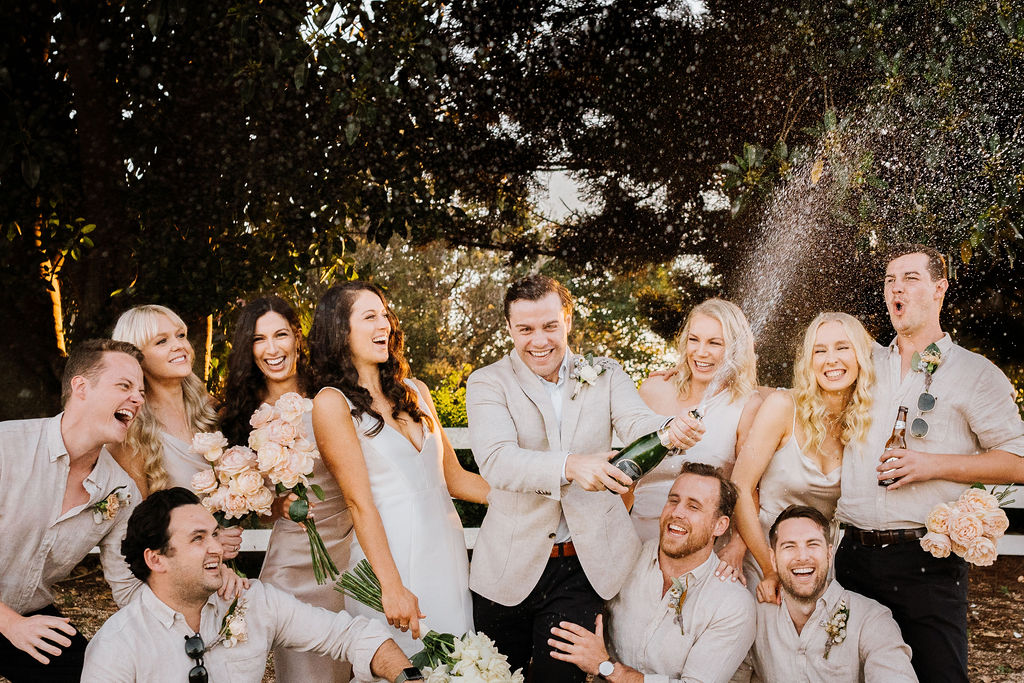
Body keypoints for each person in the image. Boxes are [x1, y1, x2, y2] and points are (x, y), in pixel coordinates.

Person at [466, 274, 703, 681]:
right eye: (525, 329)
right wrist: (571, 465)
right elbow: (497, 460)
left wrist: (672, 431)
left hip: (582, 568)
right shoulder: (488, 382)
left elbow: (638, 423)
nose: (538, 340)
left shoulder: (606, 373)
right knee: (494, 677)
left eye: (549, 326)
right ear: (509, 328)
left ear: (568, 320)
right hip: (507, 569)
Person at [834, 243, 1024, 682]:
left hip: (927, 563)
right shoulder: (863, 364)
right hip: (851, 561)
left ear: (939, 290)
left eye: (910, 279)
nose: (896, 288)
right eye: (889, 280)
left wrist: (931, 465)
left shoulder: (976, 374)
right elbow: (807, 397)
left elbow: (1017, 459)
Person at [309, 281, 489, 655]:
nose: (384, 325)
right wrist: (390, 585)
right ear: (341, 331)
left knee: (460, 660)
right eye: (370, 316)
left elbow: (454, 478)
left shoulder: (415, 390)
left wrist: (534, 498)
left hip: (446, 549)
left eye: (385, 315)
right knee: (407, 665)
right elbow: (359, 503)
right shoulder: (332, 403)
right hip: (389, 558)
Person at [81, 488, 423, 682]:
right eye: (198, 539)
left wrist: (408, 678)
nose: (216, 547)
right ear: (156, 559)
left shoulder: (252, 602)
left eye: (214, 533)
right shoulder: (117, 645)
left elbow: (353, 635)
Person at [221, 295, 355, 682]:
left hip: (353, 550)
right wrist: (276, 506)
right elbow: (254, 506)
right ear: (249, 349)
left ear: (298, 338)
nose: (272, 348)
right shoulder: (240, 416)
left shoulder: (333, 395)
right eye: (259, 340)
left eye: (281, 334)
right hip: (292, 561)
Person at [0, 339, 145, 682]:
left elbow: (127, 585)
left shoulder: (122, 491)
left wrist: (184, 612)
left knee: (88, 676)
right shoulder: (6, 447)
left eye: (141, 390)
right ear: (81, 387)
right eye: (124, 385)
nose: (138, 398)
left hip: (30, 617)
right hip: (14, 622)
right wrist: (11, 625)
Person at [548, 462, 756, 682]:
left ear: (720, 526)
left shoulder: (732, 604)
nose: (677, 512)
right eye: (673, 500)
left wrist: (606, 667)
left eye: (693, 507)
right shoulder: (629, 558)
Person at [732, 312, 875, 601]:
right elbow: (740, 489)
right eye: (819, 351)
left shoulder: (869, 420)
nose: (830, 359)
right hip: (764, 562)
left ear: (861, 355)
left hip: (822, 571)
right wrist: (769, 568)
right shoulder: (783, 407)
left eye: (842, 347)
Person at [634, 298, 763, 573]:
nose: (701, 352)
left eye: (715, 343)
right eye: (694, 340)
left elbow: (750, 489)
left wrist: (738, 546)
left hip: (704, 551)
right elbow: (625, 475)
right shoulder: (654, 389)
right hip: (637, 540)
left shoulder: (746, 406)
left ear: (735, 349)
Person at [751, 505, 916, 683]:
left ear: (830, 554)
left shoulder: (871, 619)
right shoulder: (754, 618)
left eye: (812, 544)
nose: (802, 556)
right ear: (773, 559)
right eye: (789, 546)